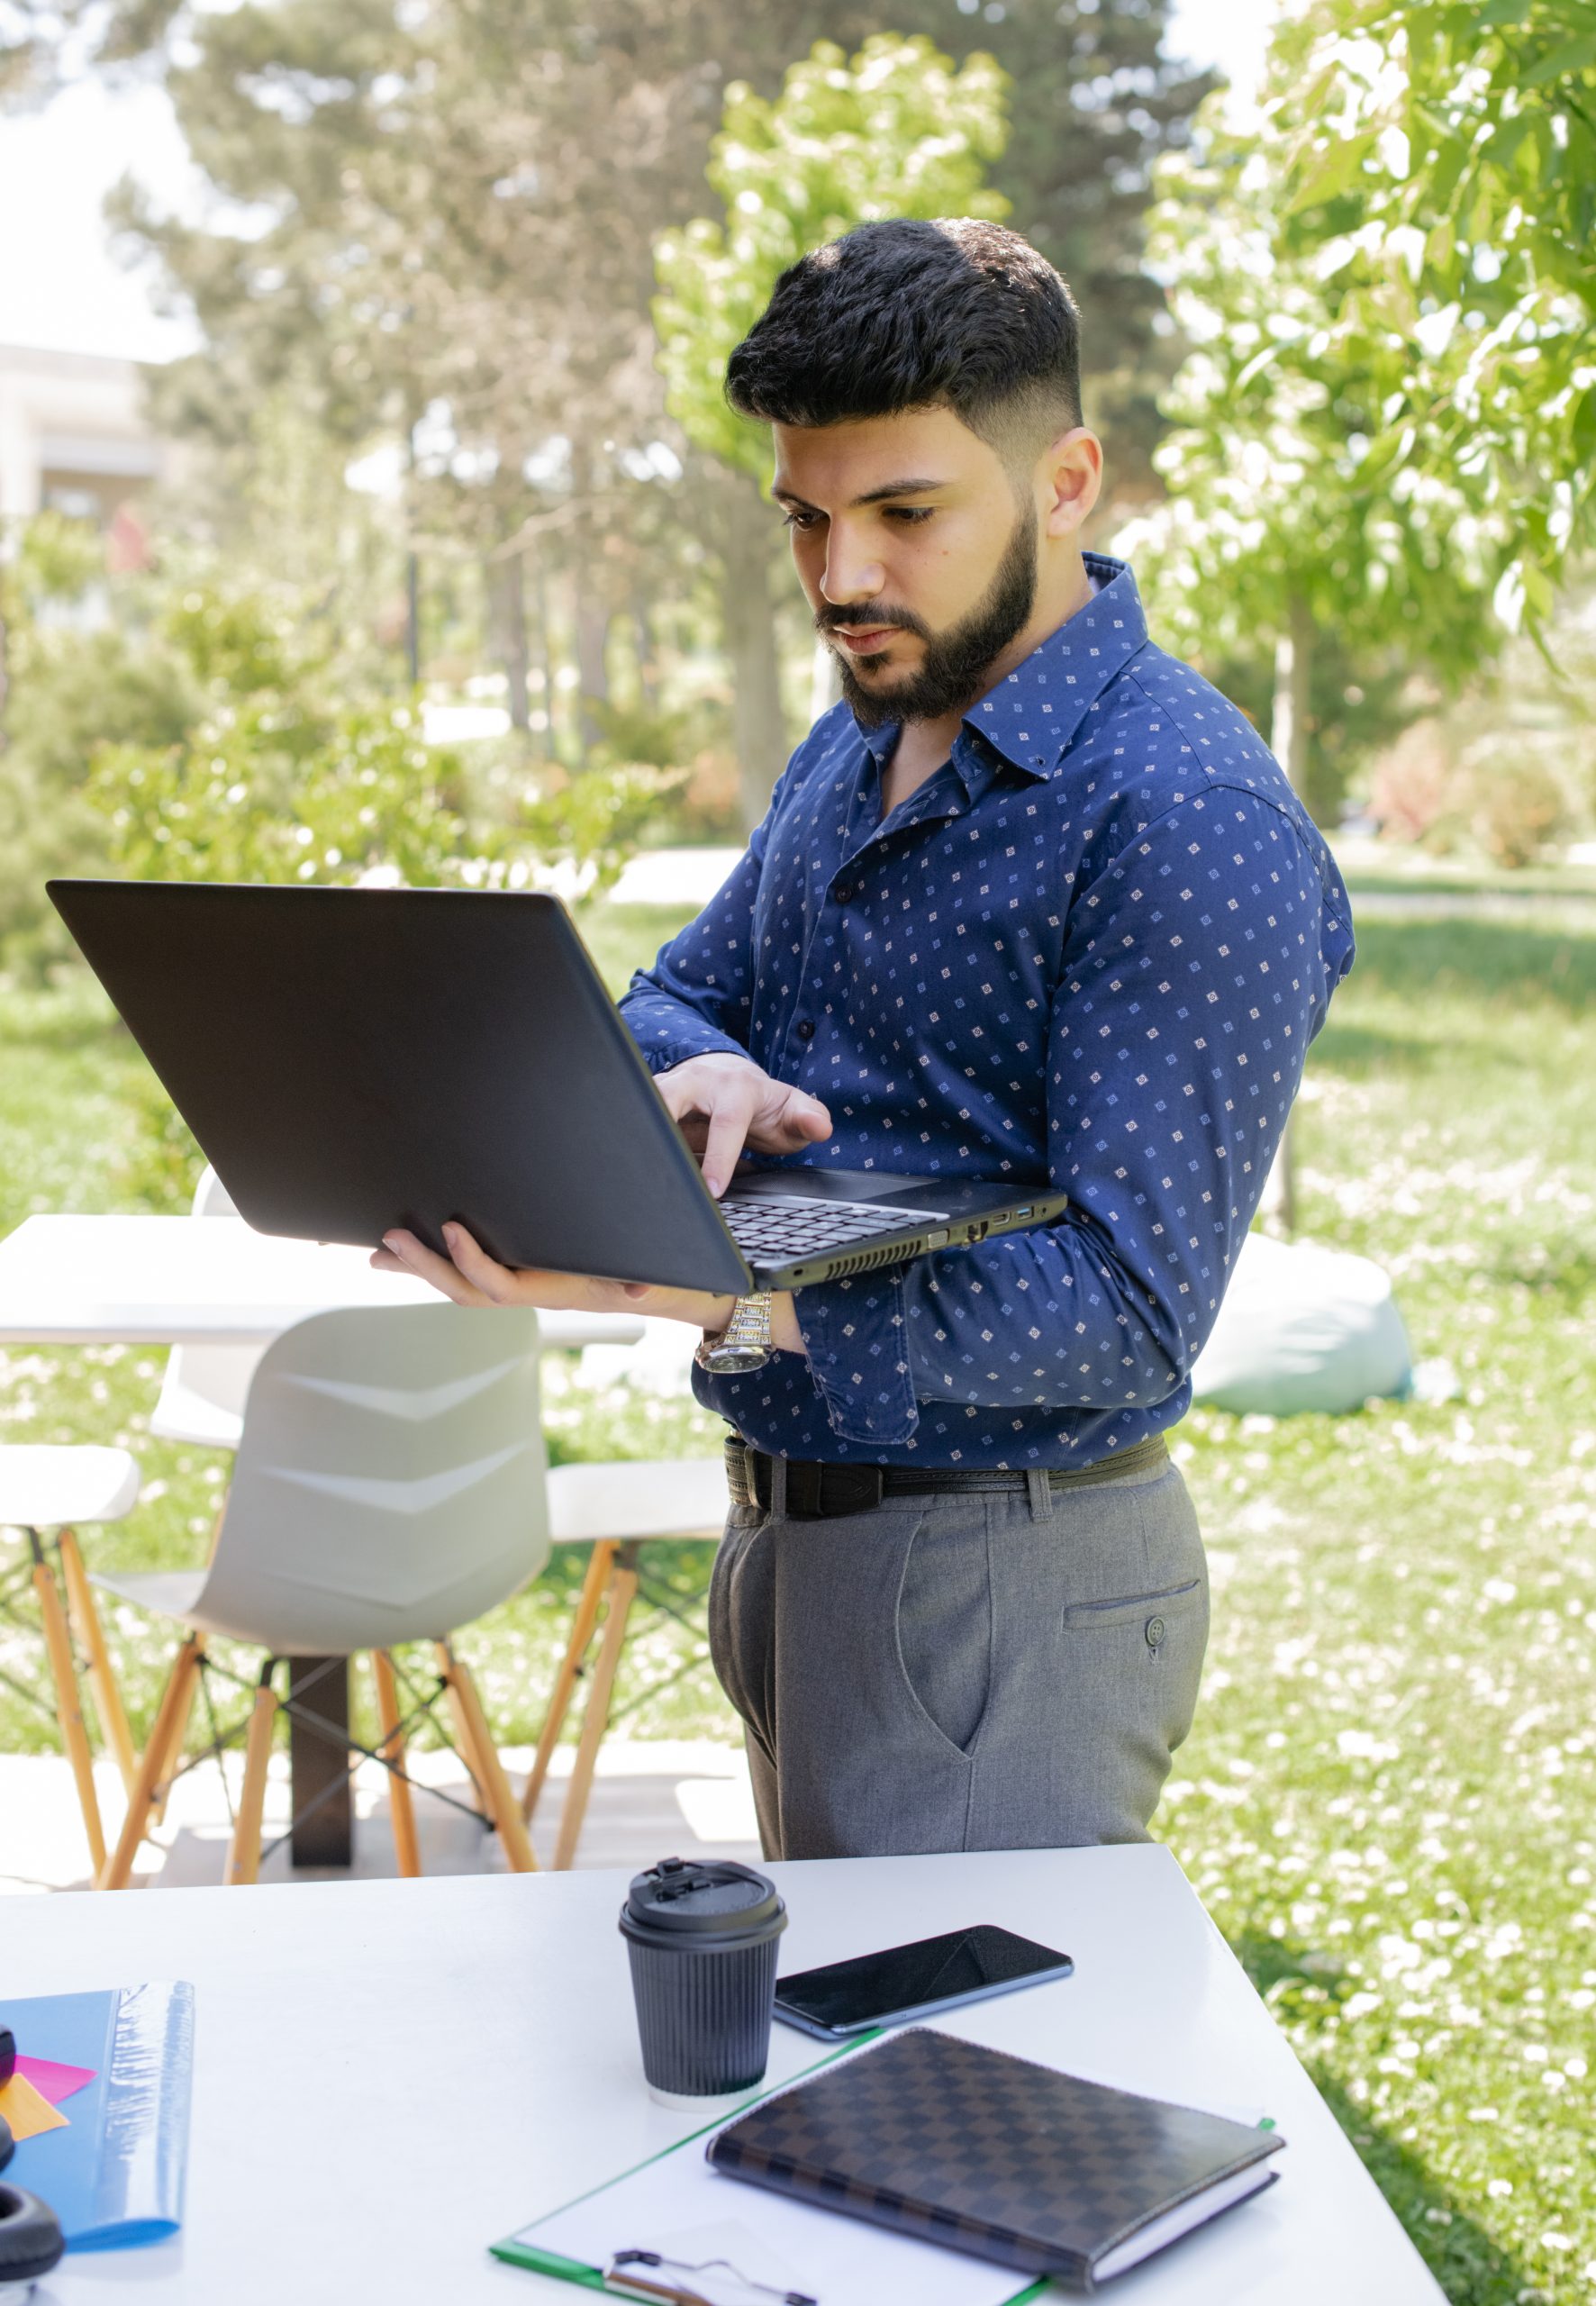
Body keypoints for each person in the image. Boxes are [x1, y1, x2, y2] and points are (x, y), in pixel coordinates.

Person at [376, 217, 1355, 1863]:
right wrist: (698, 1067)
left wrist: (727, 1292)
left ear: (1067, 482)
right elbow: (685, 987)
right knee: (844, 2090)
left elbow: (1130, 1313)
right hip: (793, 1542)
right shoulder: (863, 739)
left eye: (906, 514)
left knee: (946, 2108)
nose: (843, 578)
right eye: (809, 520)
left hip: (1000, 1591)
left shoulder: (1184, 814)